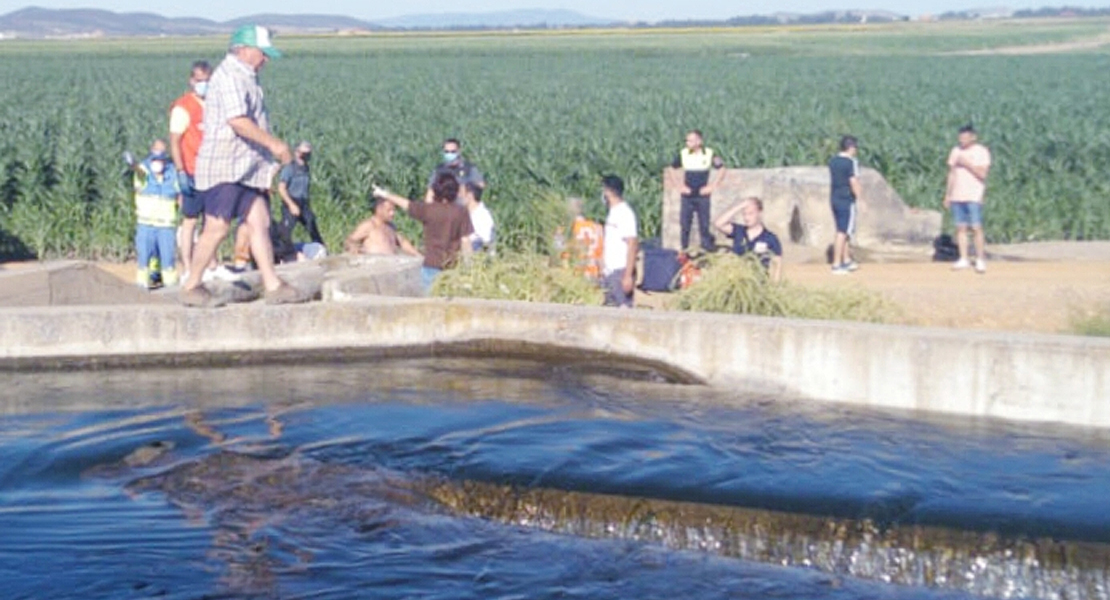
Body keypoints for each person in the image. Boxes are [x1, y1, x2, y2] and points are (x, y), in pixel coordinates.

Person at [180, 24, 307, 307]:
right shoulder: (229, 77)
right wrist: (276, 145)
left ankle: (273, 284)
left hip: (248, 167)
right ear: (244, 50)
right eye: (262, 53)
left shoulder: (247, 76)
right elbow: (238, 121)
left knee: (259, 221)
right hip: (226, 165)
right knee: (217, 227)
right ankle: (192, 284)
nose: (266, 59)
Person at [373, 172, 473, 292]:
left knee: (430, 305)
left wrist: (385, 194)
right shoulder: (461, 212)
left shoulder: (428, 210)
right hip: (452, 267)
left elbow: (406, 204)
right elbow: (466, 241)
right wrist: (469, 267)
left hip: (431, 266)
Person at [169, 60, 211, 280]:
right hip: (192, 170)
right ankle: (187, 266)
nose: (204, 85)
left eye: (207, 81)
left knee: (213, 220)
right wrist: (180, 171)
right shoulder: (183, 107)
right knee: (190, 220)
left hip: (213, 170)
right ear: (191, 80)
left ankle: (211, 265)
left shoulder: (215, 103)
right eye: (199, 81)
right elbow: (175, 141)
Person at [132, 140, 181, 289]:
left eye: (161, 158)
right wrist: (133, 164)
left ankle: (170, 285)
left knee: (167, 257)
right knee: (145, 256)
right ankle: (142, 284)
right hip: (146, 223)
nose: (158, 162)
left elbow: (180, 195)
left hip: (166, 224)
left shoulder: (173, 172)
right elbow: (139, 176)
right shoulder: (143, 170)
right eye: (155, 157)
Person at [945, 124, 992, 274]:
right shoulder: (955, 151)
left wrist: (967, 164)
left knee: (976, 227)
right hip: (957, 195)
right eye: (960, 137)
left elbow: (983, 174)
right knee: (961, 227)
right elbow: (951, 173)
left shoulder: (981, 152)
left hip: (973, 195)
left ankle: (980, 259)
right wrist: (948, 194)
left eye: (965, 137)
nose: (962, 140)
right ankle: (963, 258)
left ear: (973, 137)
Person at [669, 129, 724, 254]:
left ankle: (706, 250)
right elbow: (671, 169)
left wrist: (712, 186)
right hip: (687, 196)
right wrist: (679, 186)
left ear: (699, 141)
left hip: (702, 196)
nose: (688, 143)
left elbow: (722, 169)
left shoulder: (709, 153)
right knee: (685, 225)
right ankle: (684, 251)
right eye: (687, 140)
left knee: (704, 224)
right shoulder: (683, 154)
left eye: (691, 140)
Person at [713, 197, 783, 283]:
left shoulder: (771, 238)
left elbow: (777, 265)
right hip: (736, 282)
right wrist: (739, 206)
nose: (746, 218)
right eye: (744, 214)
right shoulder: (738, 231)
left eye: (750, 214)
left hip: (758, 284)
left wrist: (775, 287)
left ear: (759, 213)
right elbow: (718, 224)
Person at [601, 175, 638, 308]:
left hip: (620, 271)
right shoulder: (612, 213)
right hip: (609, 272)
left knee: (623, 309)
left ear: (608, 191)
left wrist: (628, 275)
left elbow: (632, 244)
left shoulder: (625, 213)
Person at [278, 141, 324, 246]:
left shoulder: (306, 168)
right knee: (285, 231)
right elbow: (281, 188)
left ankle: (321, 250)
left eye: (308, 154)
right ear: (297, 152)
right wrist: (291, 205)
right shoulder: (289, 168)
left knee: (312, 227)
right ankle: (280, 252)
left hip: (304, 203)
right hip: (291, 201)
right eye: (304, 154)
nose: (306, 156)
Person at [828, 135, 862, 275]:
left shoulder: (833, 161)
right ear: (851, 147)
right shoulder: (850, 162)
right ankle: (836, 264)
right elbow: (853, 181)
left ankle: (846, 259)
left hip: (834, 198)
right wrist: (861, 199)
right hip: (846, 200)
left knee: (844, 230)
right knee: (842, 232)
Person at [344, 197, 421, 257]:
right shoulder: (369, 225)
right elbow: (350, 240)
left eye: (393, 210)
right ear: (379, 209)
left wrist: (418, 255)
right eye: (389, 210)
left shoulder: (391, 227)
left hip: (390, 266)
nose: (392, 214)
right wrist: (353, 248)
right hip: (374, 267)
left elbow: (402, 242)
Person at [425, 138, 484, 204]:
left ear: (459, 151)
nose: (450, 154)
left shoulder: (469, 168)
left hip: (463, 205)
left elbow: (480, 185)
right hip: (443, 205)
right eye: (447, 152)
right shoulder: (439, 170)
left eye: (453, 152)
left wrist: (465, 188)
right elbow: (430, 191)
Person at [566, 197, 603, 280]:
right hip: (594, 273)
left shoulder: (573, 228)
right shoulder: (597, 227)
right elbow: (600, 254)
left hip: (579, 274)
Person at [460, 181, 495, 253]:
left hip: (476, 257)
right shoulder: (464, 213)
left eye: (461, 194)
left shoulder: (483, 216)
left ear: (470, 195)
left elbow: (487, 243)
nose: (459, 197)